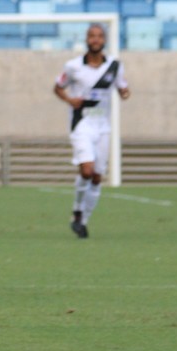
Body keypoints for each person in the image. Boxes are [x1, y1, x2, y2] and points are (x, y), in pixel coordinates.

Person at [53, 23, 130, 238]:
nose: (95, 40)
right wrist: (69, 99)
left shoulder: (115, 66)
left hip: (103, 127)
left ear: (104, 40)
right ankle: (77, 209)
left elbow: (122, 86)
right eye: (91, 36)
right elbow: (58, 87)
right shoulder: (73, 66)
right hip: (82, 125)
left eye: (99, 36)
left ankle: (83, 220)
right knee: (86, 170)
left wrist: (125, 92)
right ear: (86, 40)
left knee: (97, 177)